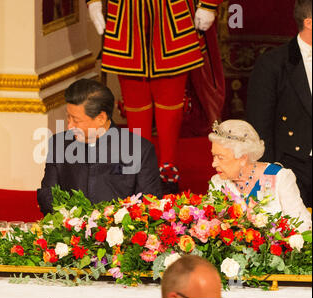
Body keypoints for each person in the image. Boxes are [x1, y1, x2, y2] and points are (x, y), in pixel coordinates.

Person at [87, 0, 224, 193]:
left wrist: (209, 4)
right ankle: (139, 169)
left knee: (171, 98)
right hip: (126, 14)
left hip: (172, 13)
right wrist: (93, 2)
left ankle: (168, 171)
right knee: (135, 99)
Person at [37, 78, 164, 215]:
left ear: (101, 118)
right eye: (68, 117)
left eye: (76, 120)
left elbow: (149, 206)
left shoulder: (140, 150)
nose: (69, 126)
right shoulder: (59, 144)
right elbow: (47, 194)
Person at [246, 0, 312, 208]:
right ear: (309, 23)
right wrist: (269, 179)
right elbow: (259, 126)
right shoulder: (273, 64)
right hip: (291, 166)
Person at [208, 120, 312, 232]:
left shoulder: (279, 177)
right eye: (214, 156)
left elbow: (303, 227)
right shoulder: (217, 183)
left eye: (220, 157)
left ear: (243, 158)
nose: (213, 163)